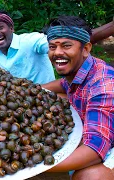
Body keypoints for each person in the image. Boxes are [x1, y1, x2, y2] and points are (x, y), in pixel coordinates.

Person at [41, 15, 114, 179]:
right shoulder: (77, 70)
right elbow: (62, 84)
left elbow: (95, 149)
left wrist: (36, 167)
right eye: (52, 47)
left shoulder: (103, 84)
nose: (58, 52)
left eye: (66, 46)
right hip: (91, 128)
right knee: (55, 97)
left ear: (86, 49)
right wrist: (31, 89)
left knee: (90, 176)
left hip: (107, 143)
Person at [0, 10, 114, 84]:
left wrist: (109, 29)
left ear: (11, 28)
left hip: (47, 101)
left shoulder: (31, 41)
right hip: (18, 107)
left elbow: (63, 41)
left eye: (0, 27)